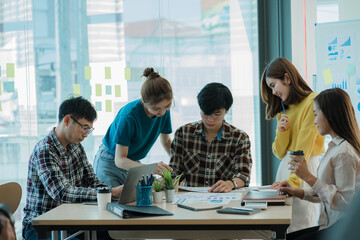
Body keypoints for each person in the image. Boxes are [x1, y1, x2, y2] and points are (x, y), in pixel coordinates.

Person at [22, 97, 123, 240]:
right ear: (67, 120)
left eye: (89, 129)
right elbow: (62, 193)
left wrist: (115, 194)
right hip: (41, 226)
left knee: (115, 234)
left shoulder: (76, 147)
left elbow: (91, 180)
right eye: (84, 127)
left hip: (71, 219)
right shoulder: (45, 150)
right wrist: (111, 192)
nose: (86, 134)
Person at [279, 88, 360, 240]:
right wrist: (297, 192)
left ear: (330, 113)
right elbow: (328, 194)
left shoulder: (344, 153)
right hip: (328, 225)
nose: (314, 120)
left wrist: (308, 177)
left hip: (338, 230)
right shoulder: (334, 147)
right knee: (286, 237)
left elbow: (345, 202)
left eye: (316, 114)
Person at [260, 57, 325, 232]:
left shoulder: (312, 101)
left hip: (304, 168)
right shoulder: (282, 107)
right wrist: (282, 131)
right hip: (286, 168)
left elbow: (304, 147)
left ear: (287, 78)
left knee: (301, 225)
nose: (273, 92)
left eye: (273, 85)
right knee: (282, 228)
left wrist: (293, 182)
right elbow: (279, 152)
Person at [93, 68, 173, 187]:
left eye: (167, 105)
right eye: (156, 108)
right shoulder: (129, 116)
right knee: (112, 202)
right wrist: (150, 168)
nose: (162, 112)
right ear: (144, 101)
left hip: (132, 162)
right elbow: (120, 160)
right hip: (110, 161)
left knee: (137, 200)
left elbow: (166, 141)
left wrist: (175, 165)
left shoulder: (164, 111)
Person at [169, 83, 252, 193]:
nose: (210, 120)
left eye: (216, 114)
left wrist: (230, 184)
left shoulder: (239, 138)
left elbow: (243, 176)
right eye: (205, 113)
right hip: (190, 199)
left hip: (223, 198)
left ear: (226, 110)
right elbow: (174, 171)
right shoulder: (183, 133)